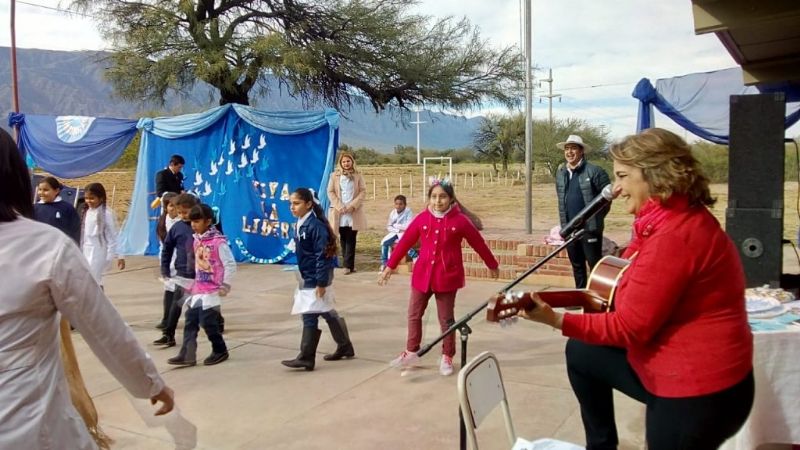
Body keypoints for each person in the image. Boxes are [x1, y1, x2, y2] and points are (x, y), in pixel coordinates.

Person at [518, 128, 754, 450]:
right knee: (582, 352)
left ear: (655, 176)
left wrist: (556, 319)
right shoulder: (667, 219)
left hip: (697, 393)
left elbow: (630, 327)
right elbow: (628, 278)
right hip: (707, 380)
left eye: (623, 176)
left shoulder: (673, 237)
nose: (615, 189)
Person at [0, 128, 174, 449]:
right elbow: (104, 327)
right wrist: (150, 383)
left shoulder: (63, 228)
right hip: (31, 428)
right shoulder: (42, 246)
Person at [378, 179, 499, 376]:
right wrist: (389, 266)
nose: (438, 201)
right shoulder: (422, 218)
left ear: (451, 199)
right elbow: (405, 242)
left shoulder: (460, 221)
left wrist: (492, 264)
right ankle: (411, 351)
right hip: (422, 275)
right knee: (414, 314)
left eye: (442, 196)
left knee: (446, 319)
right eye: (434, 197)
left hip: (446, 277)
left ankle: (447, 355)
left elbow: (479, 243)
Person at [282, 187, 355, 371]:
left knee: (309, 314)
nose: (292, 207)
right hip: (309, 274)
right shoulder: (301, 223)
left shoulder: (315, 226)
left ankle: (306, 356)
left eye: (297, 203)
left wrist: (321, 282)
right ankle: (344, 345)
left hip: (316, 276)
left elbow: (322, 256)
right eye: (291, 203)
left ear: (308, 204)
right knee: (326, 311)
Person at [167, 204, 235, 367]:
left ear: (208, 221)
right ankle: (187, 354)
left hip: (212, 289)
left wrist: (225, 284)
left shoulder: (218, 242)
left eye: (197, 221)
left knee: (208, 321)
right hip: (199, 287)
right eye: (192, 222)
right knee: (190, 319)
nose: (193, 225)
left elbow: (230, 264)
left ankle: (220, 350)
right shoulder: (197, 240)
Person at [555, 134, 611, 288]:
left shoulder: (595, 171)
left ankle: (597, 301)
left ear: (581, 151)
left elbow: (607, 198)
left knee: (595, 266)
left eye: (573, 148)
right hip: (570, 229)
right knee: (577, 266)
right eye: (567, 149)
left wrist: (595, 219)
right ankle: (580, 298)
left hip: (589, 230)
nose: (569, 152)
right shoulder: (561, 173)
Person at [154, 193, 198, 348]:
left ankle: (217, 325)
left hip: (201, 275)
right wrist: (164, 268)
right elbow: (167, 249)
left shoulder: (201, 226)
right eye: (180, 213)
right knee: (176, 305)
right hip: (183, 273)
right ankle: (168, 335)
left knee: (201, 309)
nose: (182, 216)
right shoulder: (177, 227)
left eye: (185, 212)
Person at [327, 151, 366, 274]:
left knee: (351, 238)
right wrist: (339, 206)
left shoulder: (358, 175)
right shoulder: (334, 176)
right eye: (344, 161)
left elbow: (362, 191)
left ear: (352, 162)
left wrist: (352, 206)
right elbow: (330, 191)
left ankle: (348, 265)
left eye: (348, 161)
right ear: (340, 163)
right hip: (340, 211)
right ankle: (349, 265)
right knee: (343, 238)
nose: (346, 163)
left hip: (352, 211)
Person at [79, 182, 126, 286]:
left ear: (101, 198)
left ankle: (97, 301)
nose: (88, 201)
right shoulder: (86, 212)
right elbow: (83, 235)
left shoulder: (106, 214)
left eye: (92, 198)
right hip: (86, 250)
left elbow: (114, 236)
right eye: (86, 198)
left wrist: (120, 255)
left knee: (95, 281)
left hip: (99, 251)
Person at [155, 192, 180, 329]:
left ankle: (216, 320)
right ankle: (167, 320)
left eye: (177, 206)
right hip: (167, 260)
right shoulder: (163, 222)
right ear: (165, 207)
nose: (174, 209)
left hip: (181, 261)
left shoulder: (183, 223)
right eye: (171, 206)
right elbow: (162, 245)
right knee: (169, 289)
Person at [34, 175, 81, 245]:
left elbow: (75, 230)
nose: (41, 193)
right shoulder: (34, 208)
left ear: (56, 191)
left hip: (61, 248)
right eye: (40, 189)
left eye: (46, 190)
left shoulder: (67, 208)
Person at [380, 194, 418, 272]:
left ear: (405, 204)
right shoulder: (393, 213)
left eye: (401, 204)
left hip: (406, 233)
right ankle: (385, 263)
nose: (398, 206)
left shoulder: (408, 211)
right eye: (396, 204)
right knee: (384, 243)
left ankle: (415, 256)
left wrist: (396, 225)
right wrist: (398, 230)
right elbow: (389, 226)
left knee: (404, 243)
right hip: (395, 233)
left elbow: (408, 226)